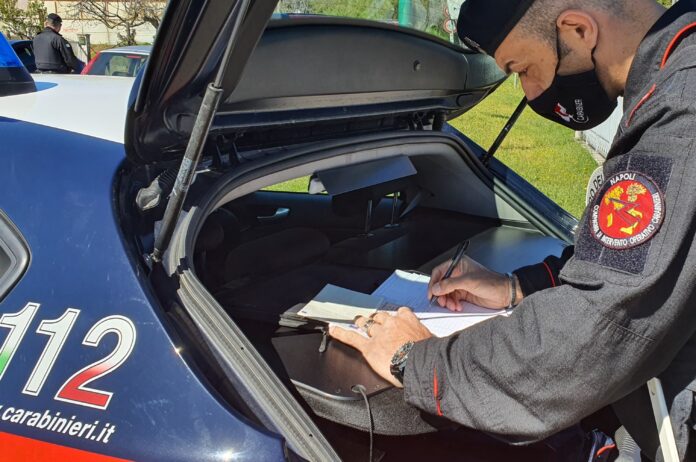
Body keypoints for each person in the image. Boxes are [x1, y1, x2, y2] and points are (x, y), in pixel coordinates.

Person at [330, 0, 696, 459]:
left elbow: (598, 328)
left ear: (579, 30)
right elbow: (648, 263)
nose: (528, 91)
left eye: (522, 69)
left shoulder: (682, 108)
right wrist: (515, 287)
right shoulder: (676, 75)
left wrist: (416, 362)